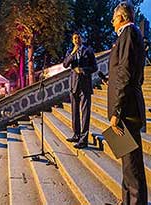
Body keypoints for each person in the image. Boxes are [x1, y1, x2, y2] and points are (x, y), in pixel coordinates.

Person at [107, 2, 147, 204]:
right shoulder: (127, 35)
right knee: (127, 162)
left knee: (132, 163)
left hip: (126, 109)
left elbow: (126, 73)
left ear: (122, 17)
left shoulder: (129, 33)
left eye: (114, 18)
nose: (112, 22)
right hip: (126, 105)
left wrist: (116, 110)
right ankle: (126, 201)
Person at [62, 32, 98, 149]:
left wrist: (83, 70)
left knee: (85, 113)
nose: (77, 40)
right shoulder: (70, 52)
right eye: (74, 38)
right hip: (74, 86)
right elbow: (65, 65)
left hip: (85, 86)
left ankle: (84, 139)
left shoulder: (88, 51)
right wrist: (72, 54)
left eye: (78, 38)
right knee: (74, 112)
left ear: (82, 39)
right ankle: (76, 134)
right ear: (73, 40)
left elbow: (95, 67)